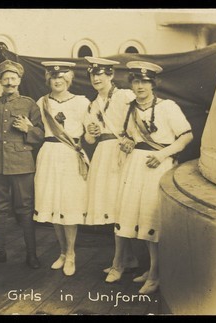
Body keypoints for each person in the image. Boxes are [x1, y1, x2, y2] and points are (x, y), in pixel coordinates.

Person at [105, 61, 193, 294]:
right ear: (131, 84)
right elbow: (132, 138)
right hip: (135, 166)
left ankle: (155, 275)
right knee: (137, 217)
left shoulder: (168, 107)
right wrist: (127, 143)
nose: (140, 86)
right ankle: (151, 269)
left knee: (152, 219)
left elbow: (186, 136)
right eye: (136, 81)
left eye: (145, 81)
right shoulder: (130, 108)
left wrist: (162, 154)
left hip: (159, 165)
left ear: (153, 84)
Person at [0, 59, 45, 269]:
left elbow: (41, 135)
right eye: (5, 78)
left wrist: (29, 129)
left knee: (25, 209)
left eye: (13, 78)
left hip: (21, 164)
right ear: (0, 81)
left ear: (19, 80)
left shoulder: (29, 104)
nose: (9, 82)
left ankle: (31, 254)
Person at [82, 57, 139, 274]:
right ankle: (129, 258)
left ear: (110, 75)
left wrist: (132, 140)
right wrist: (90, 132)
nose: (96, 78)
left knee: (121, 207)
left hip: (124, 152)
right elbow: (88, 141)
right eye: (93, 75)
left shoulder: (126, 96)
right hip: (103, 154)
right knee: (114, 207)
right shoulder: (92, 104)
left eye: (101, 74)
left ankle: (118, 263)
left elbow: (140, 121)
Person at [33, 61, 90, 276]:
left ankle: (72, 253)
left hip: (70, 154)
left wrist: (92, 133)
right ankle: (62, 252)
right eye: (54, 78)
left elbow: (90, 133)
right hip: (49, 153)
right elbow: (38, 130)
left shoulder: (82, 102)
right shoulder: (42, 102)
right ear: (49, 80)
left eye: (62, 78)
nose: (58, 81)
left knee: (69, 204)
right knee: (53, 203)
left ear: (68, 80)